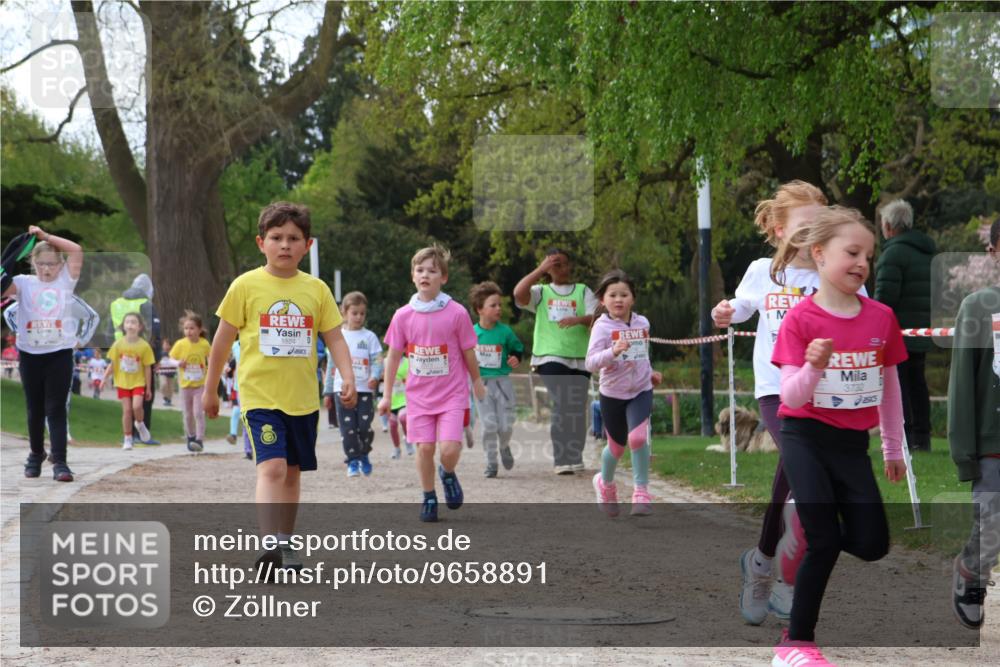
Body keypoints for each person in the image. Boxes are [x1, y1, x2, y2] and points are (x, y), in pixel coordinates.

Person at [769, 206, 907, 666]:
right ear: (820, 254)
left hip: (852, 443)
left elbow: (890, 386)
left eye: (869, 254)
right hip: (803, 434)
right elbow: (789, 393)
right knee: (826, 539)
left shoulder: (881, 318)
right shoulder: (801, 321)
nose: (862, 263)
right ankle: (796, 644)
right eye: (852, 252)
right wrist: (814, 365)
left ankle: (801, 532)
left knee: (872, 544)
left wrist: (892, 447)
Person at [712, 181, 848, 624]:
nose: (814, 234)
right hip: (775, 388)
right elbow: (742, 306)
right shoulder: (762, 271)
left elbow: (860, 310)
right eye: (803, 226)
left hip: (822, 390)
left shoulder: (835, 271)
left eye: (820, 224)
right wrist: (725, 311)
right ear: (777, 228)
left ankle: (762, 559)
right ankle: (787, 578)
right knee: (799, 466)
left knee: (788, 479)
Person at [202, 201, 356, 573]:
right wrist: (211, 389)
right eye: (276, 238)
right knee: (270, 467)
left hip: (303, 400)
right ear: (261, 242)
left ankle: (286, 546)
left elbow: (335, 338)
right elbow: (222, 342)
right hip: (260, 397)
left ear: (308, 245)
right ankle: (268, 545)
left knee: (291, 473)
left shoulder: (316, 290)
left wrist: (346, 375)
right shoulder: (245, 286)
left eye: (293, 238)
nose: (284, 245)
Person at [378, 245, 486, 522]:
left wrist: (476, 381)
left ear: (444, 277)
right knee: (425, 448)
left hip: (452, 393)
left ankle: (447, 473)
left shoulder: (457, 312)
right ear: (413, 276)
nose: (425, 274)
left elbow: (467, 351)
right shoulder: (403, 315)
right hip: (418, 397)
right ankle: (428, 495)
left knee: (449, 449)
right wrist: (387, 395)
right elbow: (392, 357)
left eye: (432, 270)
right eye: (420, 270)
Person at [948, 219, 1000, 630]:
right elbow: (963, 382)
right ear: (994, 252)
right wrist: (965, 452)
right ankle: (972, 570)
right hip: (992, 442)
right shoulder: (979, 306)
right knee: (993, 527)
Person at [2, 225, 83, 482]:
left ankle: (60, 462)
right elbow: (3, 284)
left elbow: (76, 249)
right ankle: (35, 454)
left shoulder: (66, 280)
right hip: (30, 355)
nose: (46, 270)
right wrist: (14, 252)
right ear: (32, 263)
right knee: (34, 408)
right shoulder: (24, 284)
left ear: (60, 265)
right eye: (41, 264)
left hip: (59, 353)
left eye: (51, 264)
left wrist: (45, 237)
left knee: (56, 407)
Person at [586, 270, 663, 517]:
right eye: (612, 295)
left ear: (633, 298)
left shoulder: (643, 323)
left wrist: (651, 373)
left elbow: (642, 355)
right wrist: (613, 351)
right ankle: (605, 483)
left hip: (641, 389)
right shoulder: (601, 327)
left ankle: (641, 492)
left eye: (624, 294)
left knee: (638, 438)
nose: (618, 299)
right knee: (617, 448)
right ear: (603, 300)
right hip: (613, 394)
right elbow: (591, 363)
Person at [513, 248, 596, 474]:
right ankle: (561, 459)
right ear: (548, 269)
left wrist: (578, 319)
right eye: (554, 264)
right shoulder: (541, 292)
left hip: (579, 357)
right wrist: (539, 269)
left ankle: (575, 454)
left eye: (563, 264)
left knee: (577, 406)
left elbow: (596, 315)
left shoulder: (582, 291)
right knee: (562, 401)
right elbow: (519, 294)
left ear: (570, 267)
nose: (560, 268)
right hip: (550, 356)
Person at [874, 199, 936, 452]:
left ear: (888, 225)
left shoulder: (893, 253)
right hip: (923, 328)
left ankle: (907, 436)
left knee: (900, 385)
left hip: (897, 331)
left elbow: (885, 297)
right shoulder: (929, 250)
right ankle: (922, 436)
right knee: (918, 382)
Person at [323, 291, 383, 478]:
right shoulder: (338, 336)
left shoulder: (369, 337)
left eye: (362, 313)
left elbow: (377, 360)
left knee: (364, 427)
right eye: (354, 313)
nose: (358, 317)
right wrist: (327, 392)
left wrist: (375, 376)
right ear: (345, 313)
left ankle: (364, 453)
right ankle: (353, 461)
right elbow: (332, 365)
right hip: (342, 390)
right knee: (347, 429)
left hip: (364, 390)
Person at [469, 281, 524, 478]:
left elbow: (518, 349)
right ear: (480, 309)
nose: (498, 308)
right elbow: (463, 356)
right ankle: (491, 462)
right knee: (489, 425)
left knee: (506, 425)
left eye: (499, 304)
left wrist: (516, 357)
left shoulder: (505, 332)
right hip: (481, 384)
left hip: (503, 383)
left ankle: (504, 445)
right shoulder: (472, 333)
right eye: (493, 305)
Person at [100, 312, 156, 451]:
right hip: (122, 382)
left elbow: (148, 368)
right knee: (127, 411)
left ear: (140, 327)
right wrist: (104, 379)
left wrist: (148, 388)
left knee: (137, 407)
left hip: (138, 381)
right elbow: (112, 364)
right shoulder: (118, 344)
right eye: (128, 322)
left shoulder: (144, 346)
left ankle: (140, 424)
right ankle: (128, 438)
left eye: (133, 322)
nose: (130, 325)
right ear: (123, 326)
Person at [169, 310, 212, 453]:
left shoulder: (204, 344)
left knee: (198, 413)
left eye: (192, 328)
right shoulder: (180, 344)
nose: (189, 331)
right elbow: (170, 359)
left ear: (199, 329)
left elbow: (211, 358)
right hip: (185, 386)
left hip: (200, 385)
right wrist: (177, 363)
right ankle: (190, 437)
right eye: (186, 328)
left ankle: (199, 440)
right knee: (187, 414)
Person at [388, 355, 412, 459]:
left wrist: (403, 381)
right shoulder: (386, 361)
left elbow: (414, 377)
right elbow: (379, 377)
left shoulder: (408, 361)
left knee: (403, 418)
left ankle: (408, 439)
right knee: (392, 424)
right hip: (391, 399)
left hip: (404, 398)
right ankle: (396, 448)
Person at [159, 338, 176, 406]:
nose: (166, 346)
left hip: (171, 373)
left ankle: (169, 399)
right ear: (162, 345)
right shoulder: (160, 354)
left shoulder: (173, 353)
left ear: (170, 346)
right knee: (163, 385)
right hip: (162, 373)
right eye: (165, 344)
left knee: (170, 387)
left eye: (168, 344)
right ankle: (165, 397)